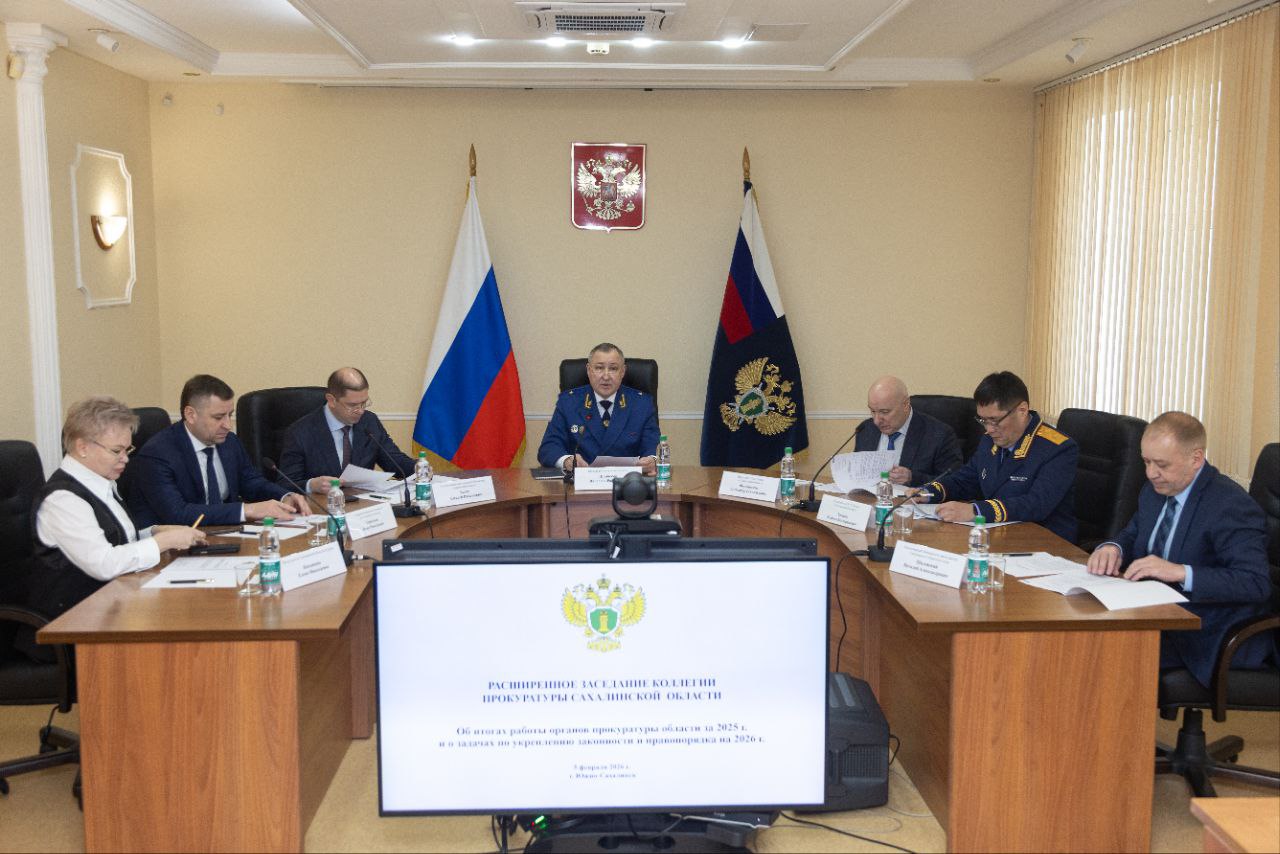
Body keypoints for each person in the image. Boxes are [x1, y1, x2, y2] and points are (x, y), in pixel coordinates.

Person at [1086, 412, 1273, 686]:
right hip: (1155, 611)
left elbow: (1255, 583)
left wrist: (1180, 572)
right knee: (1083, 633)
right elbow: (1133, 533)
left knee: (1104, 653)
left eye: (1161, 464)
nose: (1151, 473)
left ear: (1196, 459)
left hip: (1208, 630)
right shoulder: (1155, 490)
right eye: (1146, 462)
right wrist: (1113, 548)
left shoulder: (1230, 505)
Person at [26, 397, 206, 627]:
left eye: (127, 449)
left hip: (114, 605)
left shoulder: (101, 482)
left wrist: (155, 532)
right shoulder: (63, 500)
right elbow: (103, 564)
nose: (125, 459)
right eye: (116, 451)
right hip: (75, 621)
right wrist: (163, 542)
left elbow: (115, 538)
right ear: (82, 447)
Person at [913, 371, 1078, 541]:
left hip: (1045, 542)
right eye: (983, 420)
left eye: (995, 420)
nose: (989, 429)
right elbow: (966, 480)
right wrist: (928, 492)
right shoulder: (989, 441)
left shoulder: (1058, 448)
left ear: (1022, 410)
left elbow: (1036, 504)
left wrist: (976, 511)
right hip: (998, 537)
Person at [129, 375, 309, 526]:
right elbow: (178, 514)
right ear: (191, 415)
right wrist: (247, 510)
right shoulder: (157, 454)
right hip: (177, 546)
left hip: (227, 535)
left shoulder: (229, 442)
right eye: (218, 417)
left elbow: (251, 482)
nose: (228, 425)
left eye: (229, 415)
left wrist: (284, 496)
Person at [279, 367, 416, 493]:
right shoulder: (300, 432)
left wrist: (419, 467)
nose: (360, 411)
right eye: (353, 405)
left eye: (364, 403)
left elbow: (395, 461)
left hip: (364, 504)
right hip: (322, 506)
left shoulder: (369, 421)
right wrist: (311, 485)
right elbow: (285, 484)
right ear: (331, 400)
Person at [537, 343, 660, 476]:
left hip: (627, 484)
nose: (606, 376)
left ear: (623, 371)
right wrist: (567, 461)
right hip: (580, 484)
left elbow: (652, 446)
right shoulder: (569, 402)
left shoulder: (641, 404)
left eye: (613, 369)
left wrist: (652, 460)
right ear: (589, 370)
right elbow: (548, 448)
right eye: (599, 368)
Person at [853, 376, 962, 486]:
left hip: (913, 497)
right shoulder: (866, 429)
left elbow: (954, 483)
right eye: (872, 411)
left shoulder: (939, 435)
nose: (876, 421)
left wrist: (913, 478)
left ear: (905, 405)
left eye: (884, 412)